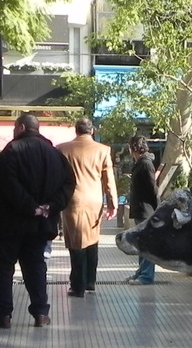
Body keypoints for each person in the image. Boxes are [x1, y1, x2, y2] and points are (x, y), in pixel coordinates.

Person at [0, 113, 74, 329]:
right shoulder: (55, 154)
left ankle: (3, 314)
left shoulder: (11, 151)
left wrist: (30, 206)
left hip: (7, 224)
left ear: (21, 127)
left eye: (14, 128)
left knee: (2, 268)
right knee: (35, 267)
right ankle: (41, 313)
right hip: (40, 225)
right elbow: (69, 183)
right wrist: (50, 206)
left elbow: (7, 184)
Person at [56, 118, 118, 297]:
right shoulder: (103, 150)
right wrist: (112, 204)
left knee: (76, 242)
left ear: (76, 131)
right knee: (92, 240)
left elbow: (57, 177)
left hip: (72, 201)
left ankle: (78, 285)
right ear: (92, 131)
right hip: (94, 201)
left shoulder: (62, 149)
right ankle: (90, 281)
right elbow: (109, 180)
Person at [125, 134, 159, 285]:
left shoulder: (145, 164)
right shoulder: (140, 163)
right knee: (141, 243)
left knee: (146, 244)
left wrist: (157, 209)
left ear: (134, 148)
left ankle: (146, 275)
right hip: (140, 209)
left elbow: (153, 189)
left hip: (146, 210)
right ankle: (141, 272)